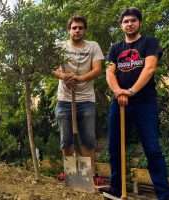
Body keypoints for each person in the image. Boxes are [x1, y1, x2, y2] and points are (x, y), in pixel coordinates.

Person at [106, 7, 169, 199]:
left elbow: (150, 68)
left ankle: (164, 194)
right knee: (115, 148)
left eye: (133, 20)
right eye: (125, 21)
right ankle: (116, 189)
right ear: (121, 25)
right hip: (119, 103)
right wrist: (119, 91)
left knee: (152, 148)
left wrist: (131, 91)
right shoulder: (115, 48)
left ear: (139, 23)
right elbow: (110, 72)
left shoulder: (149, 43)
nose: (129, 24)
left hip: (145, 103)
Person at [53, 15, 104, 181]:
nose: (77, 30)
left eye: (80, 28)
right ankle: (71, 174)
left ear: (85, 30)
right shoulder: (59, 46)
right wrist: (64, 77)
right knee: (66, 140)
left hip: (86, 100)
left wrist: (79, 78)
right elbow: (53, 69)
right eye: (74, 28)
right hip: (64, 99)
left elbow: (97, 69)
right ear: (69, 30)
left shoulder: (93, 47)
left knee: (88, 139)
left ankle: (89, 175)